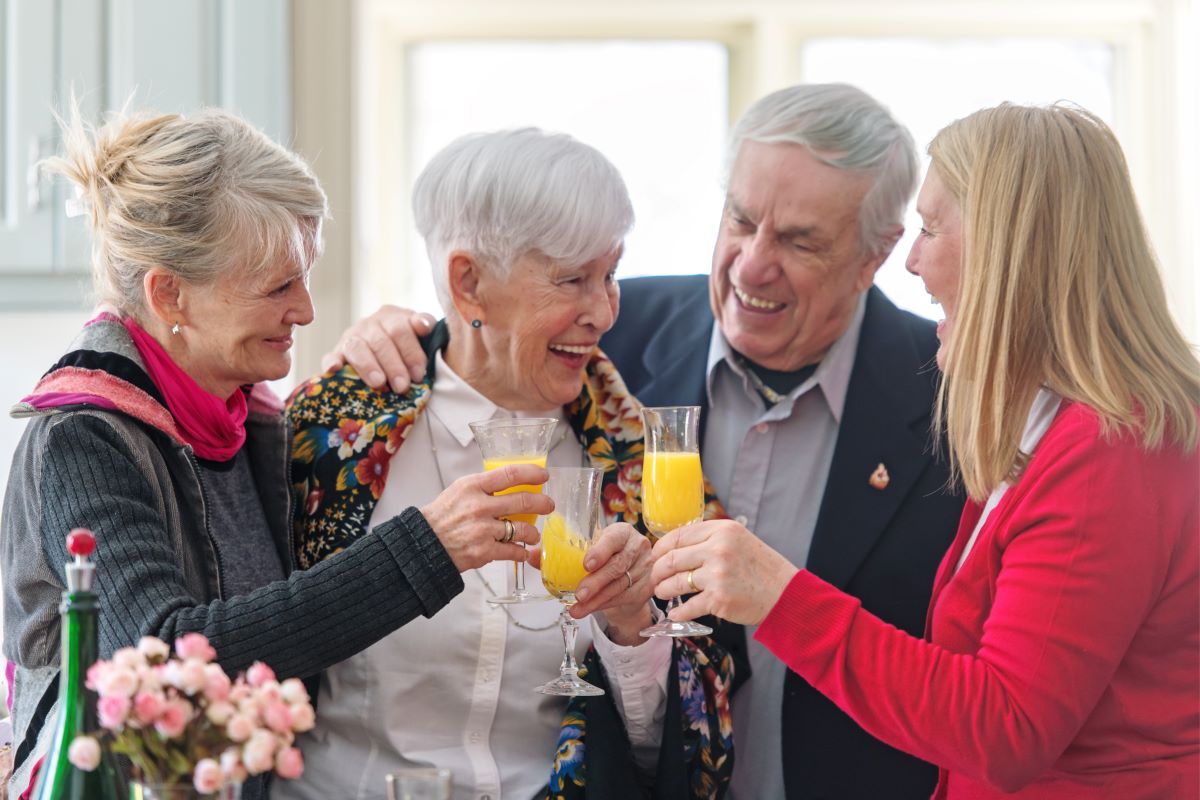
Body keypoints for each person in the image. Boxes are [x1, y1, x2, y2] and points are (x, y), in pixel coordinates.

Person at [325, 84, 965, 799]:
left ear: (875, 255)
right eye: (741, 219)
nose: (752, 264)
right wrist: (386, 337)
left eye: (799, 241)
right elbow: (489, 331)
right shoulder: (604, 344)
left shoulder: (952, 406)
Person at [0, 106, 554, 799]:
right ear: (169, 293)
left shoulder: (252, 422)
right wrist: (427, 549)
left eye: (303, 277)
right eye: (276, 286)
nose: (307, 310)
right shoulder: (82, 439)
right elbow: (168, 662)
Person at [651, 103, 1200, 798]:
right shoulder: (1054, 427)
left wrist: (781, 597)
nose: (908, 261)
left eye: (932, 229)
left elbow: (1004, 727)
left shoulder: (1109, 451)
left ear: (1009, 251)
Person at [277, 128, 733, 800]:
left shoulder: (638, 459)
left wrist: (633, 633)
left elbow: (684, 748)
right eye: (572, 279)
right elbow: (247, 646)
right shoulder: (333, 435)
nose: (604, 311)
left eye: (609, 275)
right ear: (469, 284)